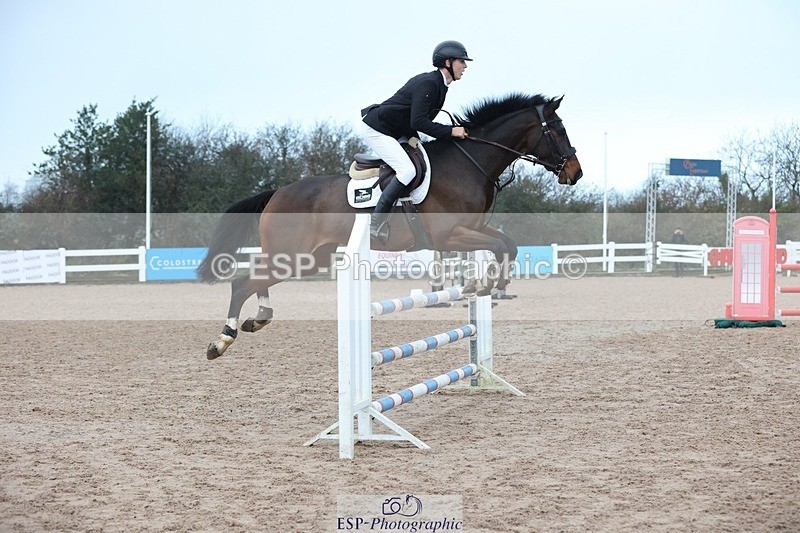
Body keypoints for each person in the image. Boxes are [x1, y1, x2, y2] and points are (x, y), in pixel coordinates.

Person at [360, 40, 472, 243]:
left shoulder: (441, 86)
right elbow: (419, 121)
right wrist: (451, 131)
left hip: (400, 129)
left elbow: (418, 122)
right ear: (448, 62)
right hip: (379, 129)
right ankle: (376, 223)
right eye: (462, 61)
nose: (465, 66)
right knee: (407, 170)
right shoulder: (429, 83)